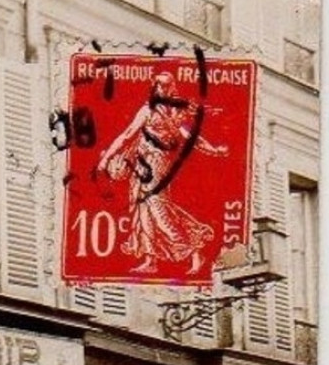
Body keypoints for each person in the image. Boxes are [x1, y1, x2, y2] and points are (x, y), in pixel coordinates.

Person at [97, 70, 230, 276]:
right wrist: (106, 159)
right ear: (154, 87)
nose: (163, 90)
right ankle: (151, 259)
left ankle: (193, 250)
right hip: (142, 163)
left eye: (167, 86)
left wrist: (212, 149)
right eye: (160, 86)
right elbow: (126, 136)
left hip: (159, 163)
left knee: (158, 208)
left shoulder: (175, 113)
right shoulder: (147, 111)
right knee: (143, 209)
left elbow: (190, 137)